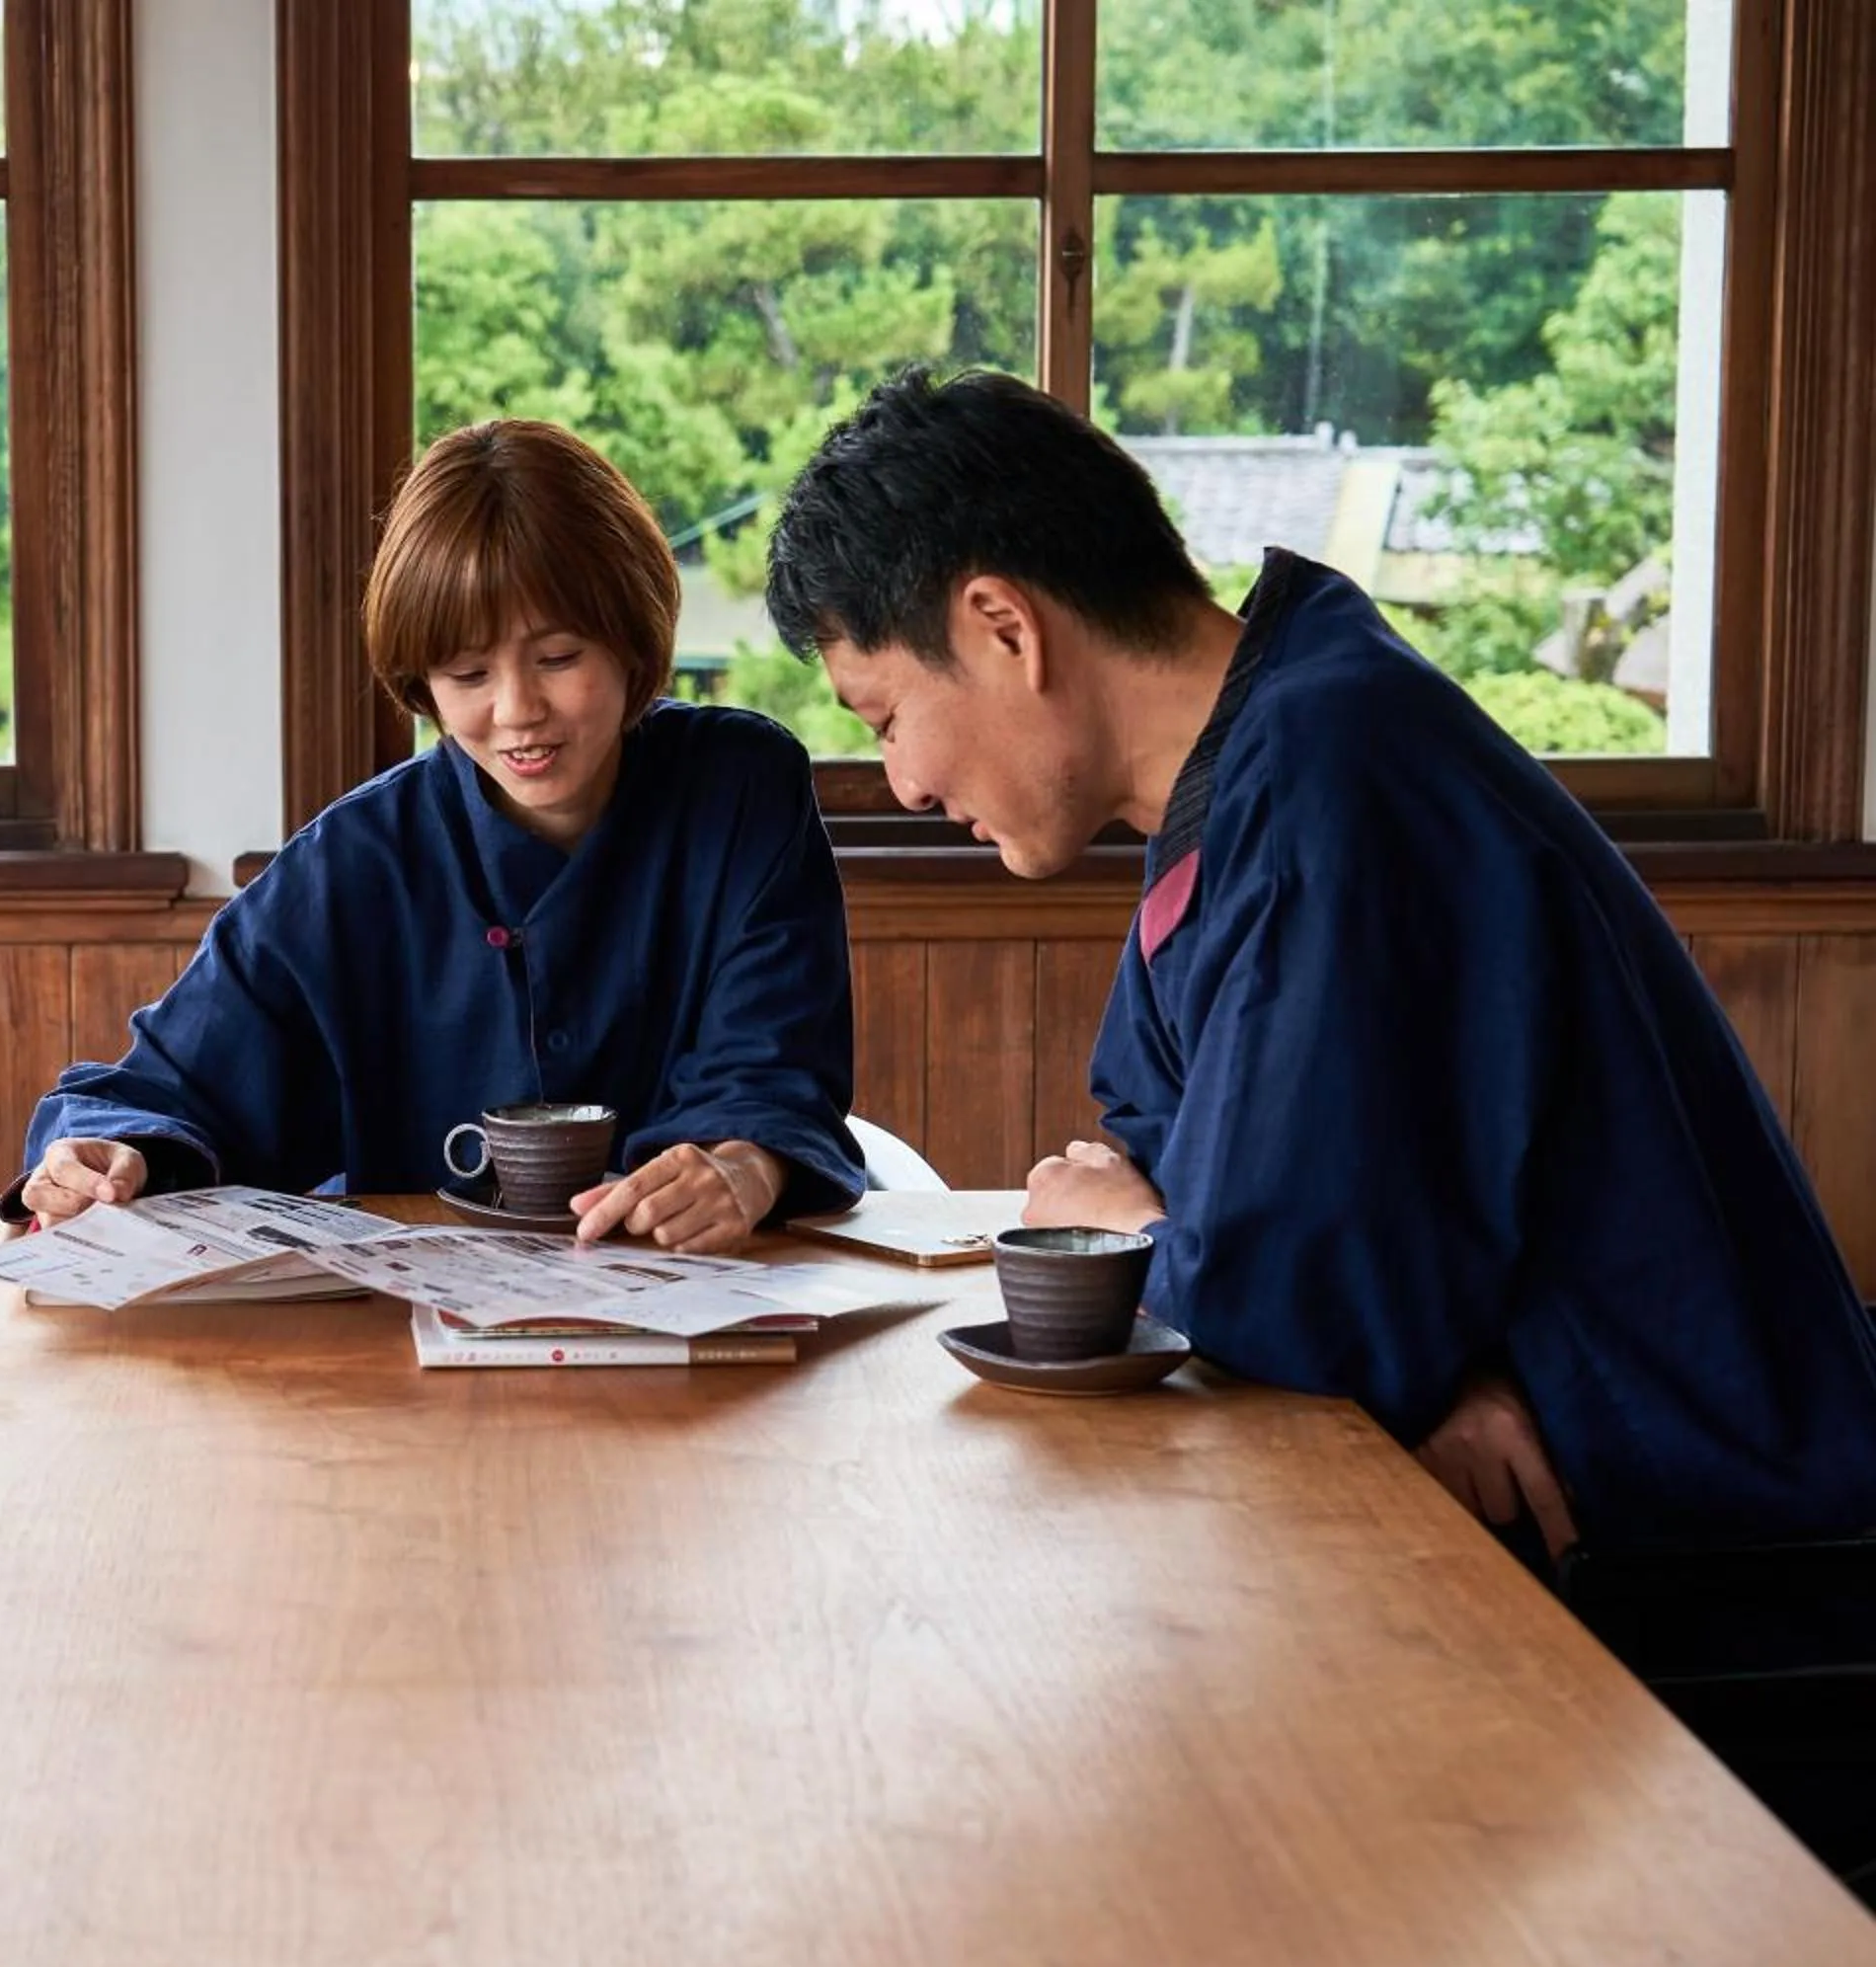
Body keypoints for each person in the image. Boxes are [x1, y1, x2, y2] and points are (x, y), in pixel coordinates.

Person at [763, 365, 1876, 1559]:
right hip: (1561, 1487)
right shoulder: (1254, 755)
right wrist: (1422, 1370)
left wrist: (1132, 1240)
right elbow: (1152, 1125)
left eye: (885, 719)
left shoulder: (1330, 783)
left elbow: (1291, 1304)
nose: (908, 785)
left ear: (1004, 626)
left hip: (1702, 1539)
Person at [8, 418, 866, 1251]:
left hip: (701, 1305)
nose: (517, 711)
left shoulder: (740, 787)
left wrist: (743, 1169)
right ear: (421, 682)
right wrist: (107, 1158)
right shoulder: (353, 861)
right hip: (404, 1345)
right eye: (467, 673)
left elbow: (772, 1072)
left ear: (632, 639)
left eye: (559, 657)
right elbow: (161, 1090)